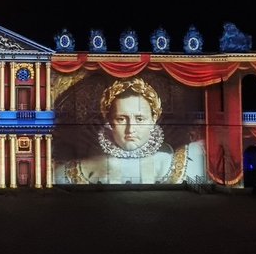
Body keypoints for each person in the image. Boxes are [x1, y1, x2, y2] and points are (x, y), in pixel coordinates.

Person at [56, 77, 205, 184]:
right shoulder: (73, 170)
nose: (130, 129)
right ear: (109, 121)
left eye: (139, 119)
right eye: (121, 119)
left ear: (154, 119)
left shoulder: (183, 162)